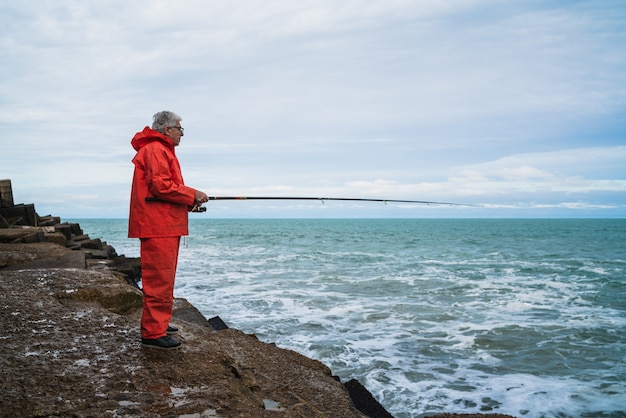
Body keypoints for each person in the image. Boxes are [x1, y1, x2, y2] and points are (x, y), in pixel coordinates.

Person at [128, 111, 209, 350]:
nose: (182, 134)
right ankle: (153, 333)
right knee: (158, 280)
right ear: (167, 130)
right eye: (180, 129)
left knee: (164, 279)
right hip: (158, 225)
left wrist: (187, 201)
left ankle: (159, 323)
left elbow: (163, 189)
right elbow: (161, 185)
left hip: (163, 223)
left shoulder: (161, 149)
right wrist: (191, 194)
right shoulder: (155, 149)